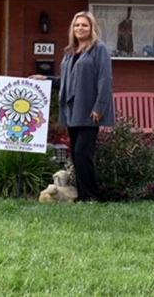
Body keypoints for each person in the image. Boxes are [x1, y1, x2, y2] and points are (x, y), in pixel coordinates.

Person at [31, 11, 115, 202]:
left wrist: (99, 107)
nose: (80, 29)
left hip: (90, 110)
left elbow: (105, 80)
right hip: (72, 110)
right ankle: (84, 195)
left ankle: (93, 196)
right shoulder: (71, 51)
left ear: (92, 28)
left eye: (84, 25)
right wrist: (47, 79)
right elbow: (68, 81)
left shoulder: (98, 49)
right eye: (77, 25)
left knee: (82, 154)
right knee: (76, 157)